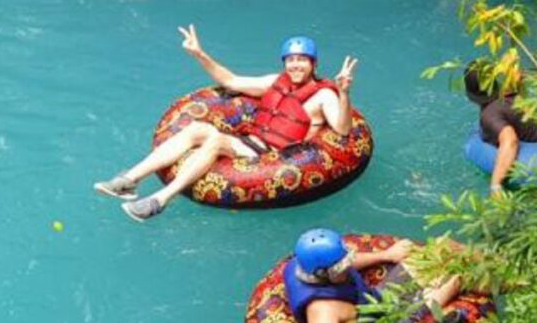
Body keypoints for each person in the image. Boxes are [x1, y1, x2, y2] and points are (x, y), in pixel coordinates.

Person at [93, 26, 358, 222]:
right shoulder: (274, 82)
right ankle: (129, 180)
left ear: (313, 64)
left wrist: (344, 92)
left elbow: (343, 129)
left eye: (302, 60)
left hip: (274, 155)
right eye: (291, 60)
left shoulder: (324, 95)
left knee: (215, 140)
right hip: (249, 141)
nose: (295, 65)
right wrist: (199, 54)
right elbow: (231, 81)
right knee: (198, 129)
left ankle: (160, 200)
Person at [284, 228, 465, 323]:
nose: (348, 266)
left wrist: (386, 255)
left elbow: (347, 262)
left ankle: (491, 259)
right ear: (325, 275)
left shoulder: (307, 265)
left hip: (377, 300)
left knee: (444, 246)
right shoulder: (323, 313)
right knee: (455, 281)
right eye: (343, 267)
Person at [463, 62, 537, 196]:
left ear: (469, 94)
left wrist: (495, 186)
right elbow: (523, 76)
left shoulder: (490, 115)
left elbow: (510, 140)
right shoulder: (509, 95)